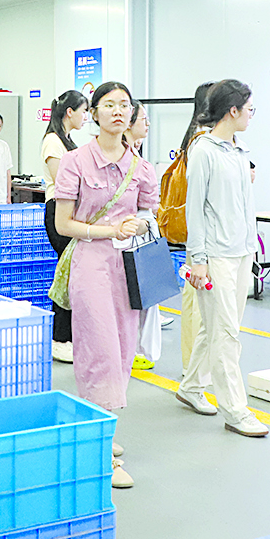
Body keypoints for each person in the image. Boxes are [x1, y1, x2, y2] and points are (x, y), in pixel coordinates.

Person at [50, 82, 159, 489]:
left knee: (124, 350)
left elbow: (149, 213)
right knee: (100, 354)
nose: (118, 111)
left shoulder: (141, 166)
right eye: (109, 105)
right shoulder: (75, 161)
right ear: (94, 113)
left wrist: (139, 225)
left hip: (127, 268)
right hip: (91, 264)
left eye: (124, 105)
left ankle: (98, 429)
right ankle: (102, 451)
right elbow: (64, 224)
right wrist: (110, 229)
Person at [175, 80, 267, 437]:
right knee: (226, 333)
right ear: (233, 110)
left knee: (216, 327)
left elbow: (243, 204)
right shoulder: (204, 151)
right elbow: (195, 210)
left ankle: (191, 386)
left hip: (241, 251)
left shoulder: (239, 151)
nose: (251, 115)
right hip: (215, 256)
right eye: (249, 109)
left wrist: (252, 247)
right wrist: (198, 259)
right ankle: (235, 410)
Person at [42, 90, 89, 363]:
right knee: (66, 273)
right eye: (83, 111)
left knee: (72, 273)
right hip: (59, 212)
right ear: (69, 112)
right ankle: (60, 338)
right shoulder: (52, 141)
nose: (85, 117)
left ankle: (69, 335)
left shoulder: (68, 140)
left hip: (73, 212)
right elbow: (62, 181)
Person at [171, 82, 214, 372]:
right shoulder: (203, 142)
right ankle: (196, 370)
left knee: (194, 301)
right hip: (206, 236)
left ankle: (192, 367)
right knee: (201, 306)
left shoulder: (194, 137)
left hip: (199, 236)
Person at [126, 103, 160, 371]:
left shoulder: (138, 157)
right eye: (143, 119)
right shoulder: (132, 161)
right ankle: (138, 349)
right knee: (139, 295)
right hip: (133, 230)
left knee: (147, 295)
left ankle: (142, 350)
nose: (147, 124)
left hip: (144, 229)